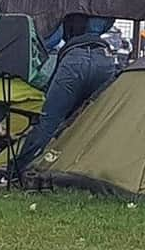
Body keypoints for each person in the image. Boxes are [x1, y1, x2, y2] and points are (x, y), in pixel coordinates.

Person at [14, 13, 116, 175]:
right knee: (97, 120)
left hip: (73, 58)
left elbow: (51, 39)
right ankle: (95, 172)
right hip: (104, 58)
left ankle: (20, 170)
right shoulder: (105, 0)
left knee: (48, 121)